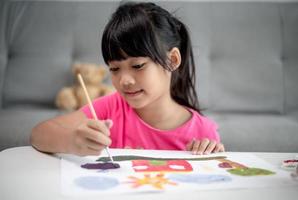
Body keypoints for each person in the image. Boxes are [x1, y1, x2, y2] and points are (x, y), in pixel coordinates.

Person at [30, 2, 225, 156]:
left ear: (172, 60)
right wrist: (72, 141)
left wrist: (212, 157)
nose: (124, 80)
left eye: (138, 66)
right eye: (114, 69)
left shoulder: (204, 132)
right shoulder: (109, 109)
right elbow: (38, 134)